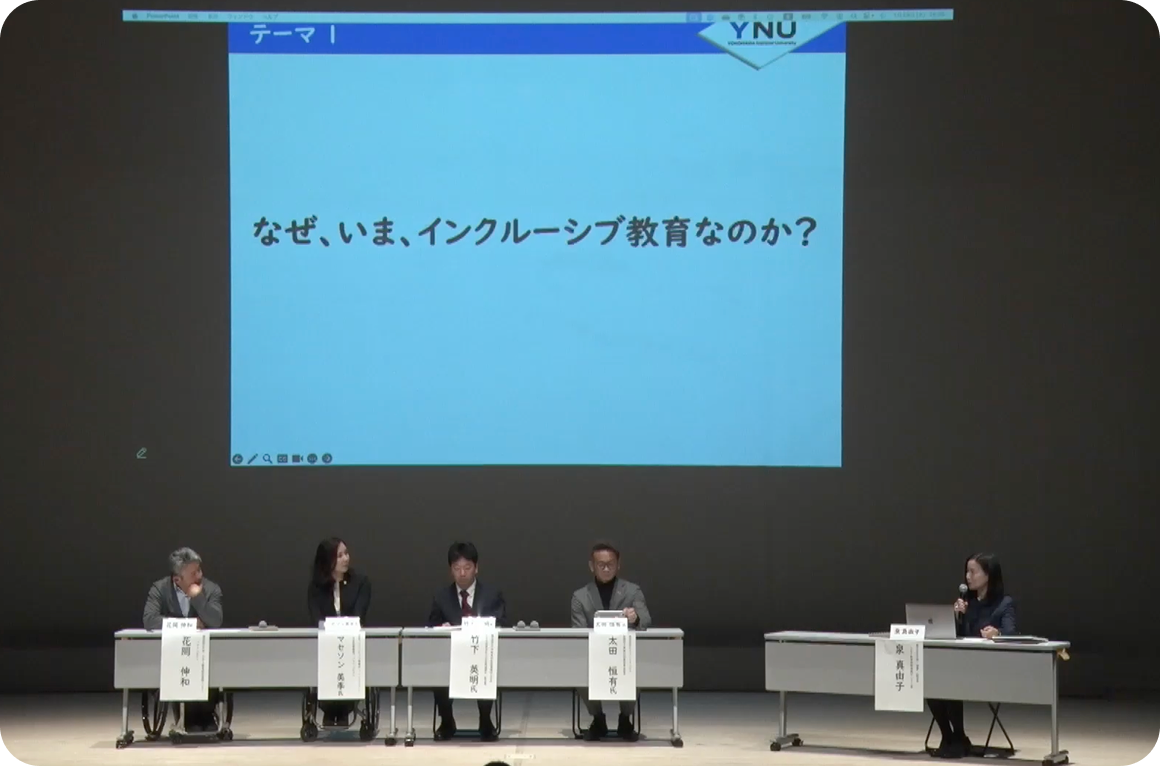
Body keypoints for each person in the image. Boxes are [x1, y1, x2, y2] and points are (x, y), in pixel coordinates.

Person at [928, 553, 1016, 758]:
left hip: (990, 668)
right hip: (964, 664)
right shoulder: (968, 602)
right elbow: (958, 636)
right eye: (966, 572)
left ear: (988, 574)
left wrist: (998, 633)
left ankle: (959, 738)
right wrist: (957, 616)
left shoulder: (1005, 603)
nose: (968, 577)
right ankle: (949, 737)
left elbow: (1012, 633)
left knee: (951, 680)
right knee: (932, 681)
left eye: (973, 572)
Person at [570, 542, 651, 742]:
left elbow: (646, 620)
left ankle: (625, 719)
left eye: (610, 564)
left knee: (636, 670)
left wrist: (635, 618)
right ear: (592, 566)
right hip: (594, 655)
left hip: (624, 654)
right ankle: (598, 719)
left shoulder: (632, 591)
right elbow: (578, 631)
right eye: (601, 565)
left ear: (618, 565)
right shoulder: (580, 596)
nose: (606, 569)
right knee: (578, 673)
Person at [426, 541, 507, 741]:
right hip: (450, 657)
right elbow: (431, 626)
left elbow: (501, 623)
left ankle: (485, 720)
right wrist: (441, 627)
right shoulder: (441, 597)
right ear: (451, 570)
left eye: (467, 567)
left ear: (476, 568)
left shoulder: (492, 594)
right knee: (437, 670)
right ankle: (447, 721)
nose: (462, 573)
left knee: (487, 666)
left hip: (482, 653)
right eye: (457, 568)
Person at [142, 547, 224, 732]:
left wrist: (198, 598)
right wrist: (189, 625)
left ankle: (206, 716)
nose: (199, 576)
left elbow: (216, 620)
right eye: (193, 573)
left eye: (199, 570)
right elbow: (150, 619)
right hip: (172, 656)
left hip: (204, 657)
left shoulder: (211, 589)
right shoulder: (160, 589)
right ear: (177, 579)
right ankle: (185, 718)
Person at [307, 537, 372, 727]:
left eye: (346, 553)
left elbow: (358, 616)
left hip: (351, 645)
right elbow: (316, 619)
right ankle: (328, 708)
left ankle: (345, 708)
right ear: (327, 560)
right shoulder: (316, 587)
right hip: (326, 645)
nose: (346, 558)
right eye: (339, 555)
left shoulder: (361, 583)